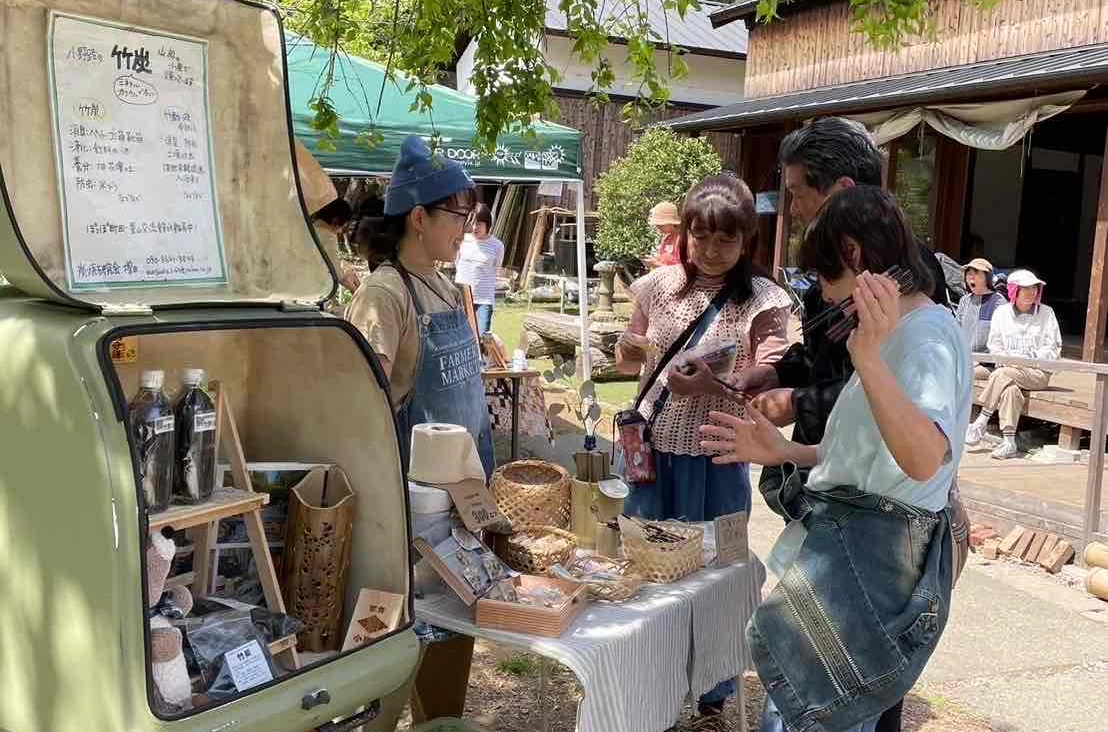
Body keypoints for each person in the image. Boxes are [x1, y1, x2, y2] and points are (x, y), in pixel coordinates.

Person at [701, 186, 970, 732]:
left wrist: (866, 357)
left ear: (853, 255)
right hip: (849, 554)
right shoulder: (894, 331)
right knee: (803, 705)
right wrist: (788, 451)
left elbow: (923, 459)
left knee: (817, 713)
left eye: (824, 276)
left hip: (867, 565)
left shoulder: (925, 337)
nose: (822, 294)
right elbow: (873, 448)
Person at [616, 175, 791, 731]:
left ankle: (714, 691)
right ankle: (651, 675)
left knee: (717, 572)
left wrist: (714, 386)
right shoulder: (655, 287)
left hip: (718, 455)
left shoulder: (763, 301)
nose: (711, 252)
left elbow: (772, 381)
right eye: (700, 237)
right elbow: (629, 362)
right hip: (653, 456)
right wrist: (627, 348)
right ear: (685, 234)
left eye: (726, 241)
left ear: (747, 242)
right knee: (648, 570)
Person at [965, 268, 1062, 460]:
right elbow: (995, 345)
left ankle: (981, 421)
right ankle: (1009, 442)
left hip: (1037, 373)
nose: (1032, 292)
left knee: (1000, 375)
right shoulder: (1002, 313)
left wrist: (1028, 361)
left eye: (1035, 288)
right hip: (1009, 370)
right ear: (1014, 290)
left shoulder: (1046, 313)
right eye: (1026, 288)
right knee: (1010, 390)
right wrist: (1010, 360)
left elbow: (1052, 346)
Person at [454, 203, 505, 334]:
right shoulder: (463, 240)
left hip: (484, 300)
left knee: (482, 337)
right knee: (461, 336)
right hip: (462, 298)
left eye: (479, 224)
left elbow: (496, 268)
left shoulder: (497, 246)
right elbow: (457, 261)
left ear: (488, 225)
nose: (475, 227)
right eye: (473, 223)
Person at [954, 257, 1006, 376]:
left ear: (987, 277)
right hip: (965, 359)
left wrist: (978, 360)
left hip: (987, 364)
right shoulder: (964, 300)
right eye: (969, 273)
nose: (971, 277)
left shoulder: (998, 302)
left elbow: (1001, 340)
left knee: (960, 373)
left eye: (976, 273)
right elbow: (957, 330)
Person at [312, 197, 361, 294]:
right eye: (342, 226)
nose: (340, 231)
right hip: (315, 290)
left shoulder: (311, 227)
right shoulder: (328, 236)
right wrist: (356, 291)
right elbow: (337, 273)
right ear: (335, 221)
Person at [644, 200, 682, 268]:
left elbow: (681, 270)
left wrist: (656, 264)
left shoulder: (681, 239)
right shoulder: (666, 238)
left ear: (670, 222)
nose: (658, 227)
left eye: (661, 225)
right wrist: (653, 261)